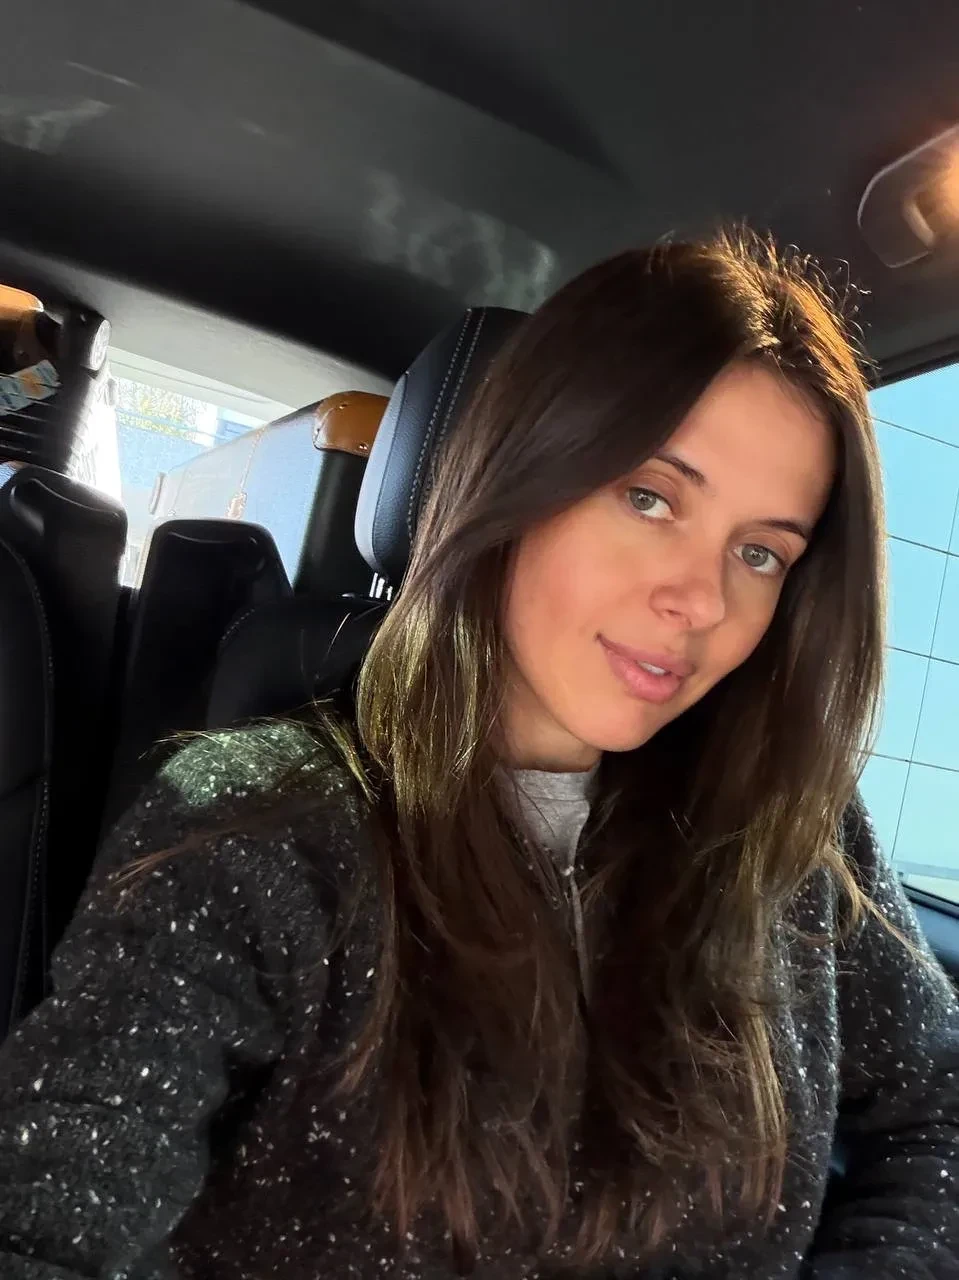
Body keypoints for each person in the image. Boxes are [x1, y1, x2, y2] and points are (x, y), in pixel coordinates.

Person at [0, 232, 956, 1280]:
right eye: (648, 497)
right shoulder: (258, 831)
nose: (700, 599)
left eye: (759, 551)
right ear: (522, 475)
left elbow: (940, 1101)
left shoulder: (790, 838)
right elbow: (47, 1209)